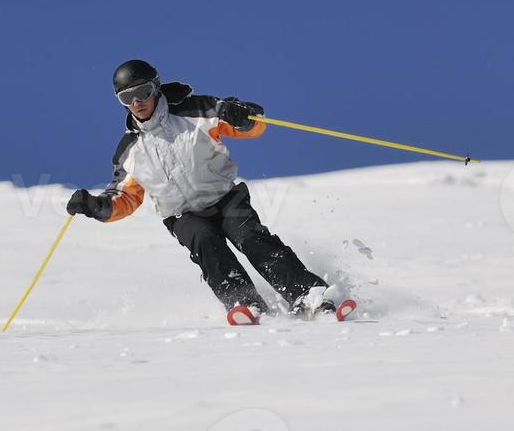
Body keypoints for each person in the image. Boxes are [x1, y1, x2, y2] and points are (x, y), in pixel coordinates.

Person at [66, 59, 353, 326]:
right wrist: (96, 206)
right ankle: (245, 304)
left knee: (251, 237)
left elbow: (251, 126)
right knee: (205, 243)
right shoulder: (129, 150)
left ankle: (308, 294)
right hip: (182, 215)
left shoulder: (195, 111)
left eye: (141, 92)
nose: (137, 102)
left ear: (155, 87)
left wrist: (241, 115)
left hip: (226, 199)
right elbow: (124, 197)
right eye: (127, 98)